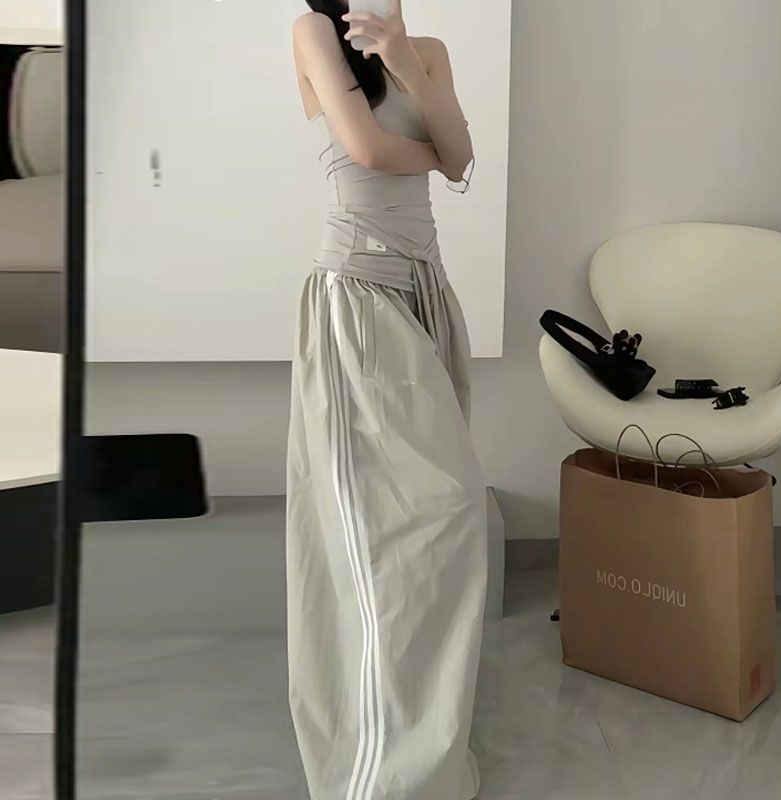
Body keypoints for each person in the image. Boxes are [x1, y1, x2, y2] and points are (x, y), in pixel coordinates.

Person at [286, 2, 487, 798]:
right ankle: (383, 770)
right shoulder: (312, 32)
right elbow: (368, 149)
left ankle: (425, 738)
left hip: (425, 291)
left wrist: (405, 61)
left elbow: (461, 159)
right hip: (360, 293)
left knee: (441, 521)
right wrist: (437, 152)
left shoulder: (426, 48)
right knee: (400, 528)